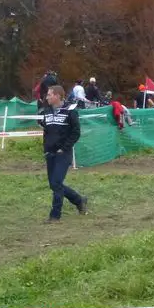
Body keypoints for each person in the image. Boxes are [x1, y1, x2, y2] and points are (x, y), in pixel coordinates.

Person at [40, 85, 87, 222]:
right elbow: (46, 132)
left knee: (56, 182)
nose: (47, 97)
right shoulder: (46, 111)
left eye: (49, 94)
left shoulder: (70, 111)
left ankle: (55, 215)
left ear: (57, 96)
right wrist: (46, 149)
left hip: (63, 153)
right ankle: (79, 200)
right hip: (50, 152)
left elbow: (76, 132)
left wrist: (64, 148)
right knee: (54, 185)